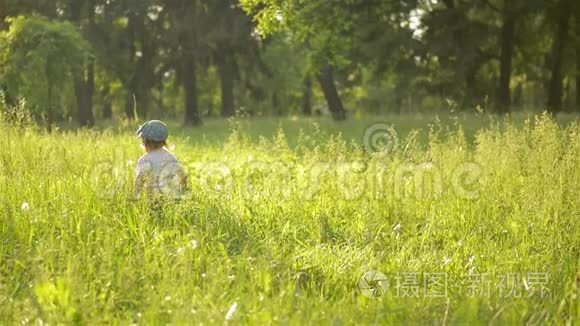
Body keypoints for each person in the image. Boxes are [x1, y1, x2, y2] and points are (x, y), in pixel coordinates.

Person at [134, 120, 189, 203]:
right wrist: (183, 191)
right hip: (171, 197)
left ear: (145, 142)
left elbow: (140, 180)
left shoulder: (145, 160)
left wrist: (136, 196)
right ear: (164, 142)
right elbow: (182, 176)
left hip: (153, 199)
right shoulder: (171, 157)